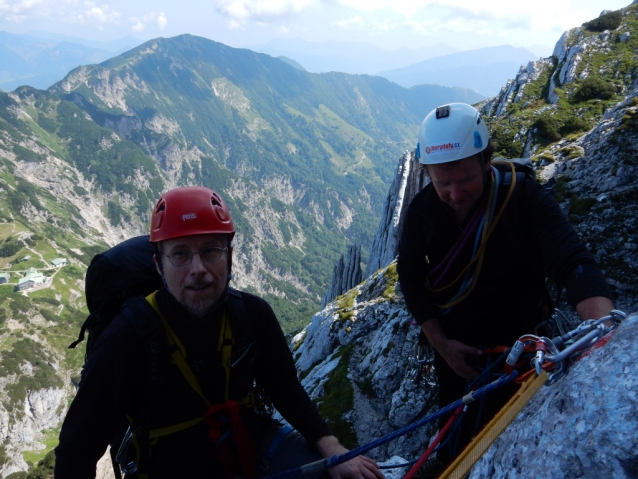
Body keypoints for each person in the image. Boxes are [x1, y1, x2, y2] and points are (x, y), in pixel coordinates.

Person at [55, 186, 384, 479]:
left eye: (210, 250)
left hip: (251, 449)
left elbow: (284, 387)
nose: (197, 269)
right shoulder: (126, 340)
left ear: (230, 255)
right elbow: (77, 450)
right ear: (159, 265)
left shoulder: (252, 314)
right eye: (180, 253)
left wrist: (333, 448)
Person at [397, 103, 614, 465]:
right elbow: (410, 277)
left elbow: (570, 259)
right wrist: (442, 345)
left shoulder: (523, 198)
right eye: (442, 183)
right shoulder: (422, 211)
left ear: (487, 161)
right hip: (455, 350)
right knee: (457, 439)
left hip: (523, 349)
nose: (454, 193)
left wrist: (603, 333)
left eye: (464, 179)